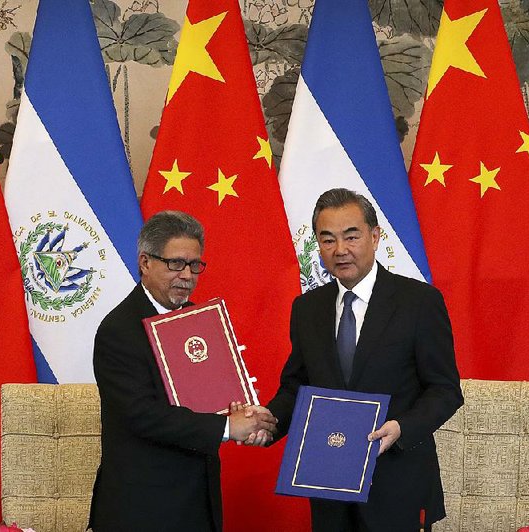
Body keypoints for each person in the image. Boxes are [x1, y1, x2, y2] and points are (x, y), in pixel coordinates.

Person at [254, 188, 463, 531]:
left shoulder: (419, 302)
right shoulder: (307, 309)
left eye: (351, 236)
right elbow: (297, 387)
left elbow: (444, 390)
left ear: (375, 236)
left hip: (396, 481)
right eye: (328, 239)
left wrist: (401, 428)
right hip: (328, 482)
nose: (341, 250)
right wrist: (268, 419)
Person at [88, 210, 276, 532]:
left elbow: (213, 398)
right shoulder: (118, 331)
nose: (187, 275)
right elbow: (142, 415)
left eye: (194, 265)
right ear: (145, 263)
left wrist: (245, 415)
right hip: (143, 509)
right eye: (175, 263)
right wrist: (228, 427)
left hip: (198, 501)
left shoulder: (197, 319)